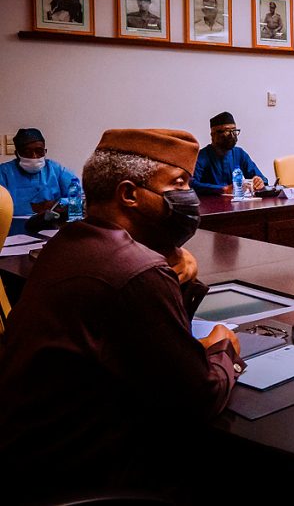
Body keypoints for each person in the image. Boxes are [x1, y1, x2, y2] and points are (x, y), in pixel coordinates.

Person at [0, 128, 244, 500]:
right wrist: (223, 348)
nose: (188, 197)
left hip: (28, 465)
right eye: (178, 184)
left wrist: (174, 267)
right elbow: (200, 397)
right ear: (129, 194)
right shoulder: (135, 271)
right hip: (93, 480)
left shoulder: (66, 244)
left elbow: (143, 339)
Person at [0, 127, 77, 216]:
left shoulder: (55, 170)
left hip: (51, 223)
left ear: (45, 151)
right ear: (17, 154)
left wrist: (58, 204)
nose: (34, 156)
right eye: (27, 152)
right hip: (14, 224)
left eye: (39, 151)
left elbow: (79, 197)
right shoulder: (4, 173)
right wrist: (33, 207)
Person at [191, 112, 267, 195]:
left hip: (236, 202)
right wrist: (222, 189)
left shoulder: (239, 153)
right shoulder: (201, 156)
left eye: (234, 130)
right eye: (227, 131)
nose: (232, 135)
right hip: (210, 202)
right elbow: (191, 184)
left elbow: (262, 178)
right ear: (213, 135)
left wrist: (259, 181)